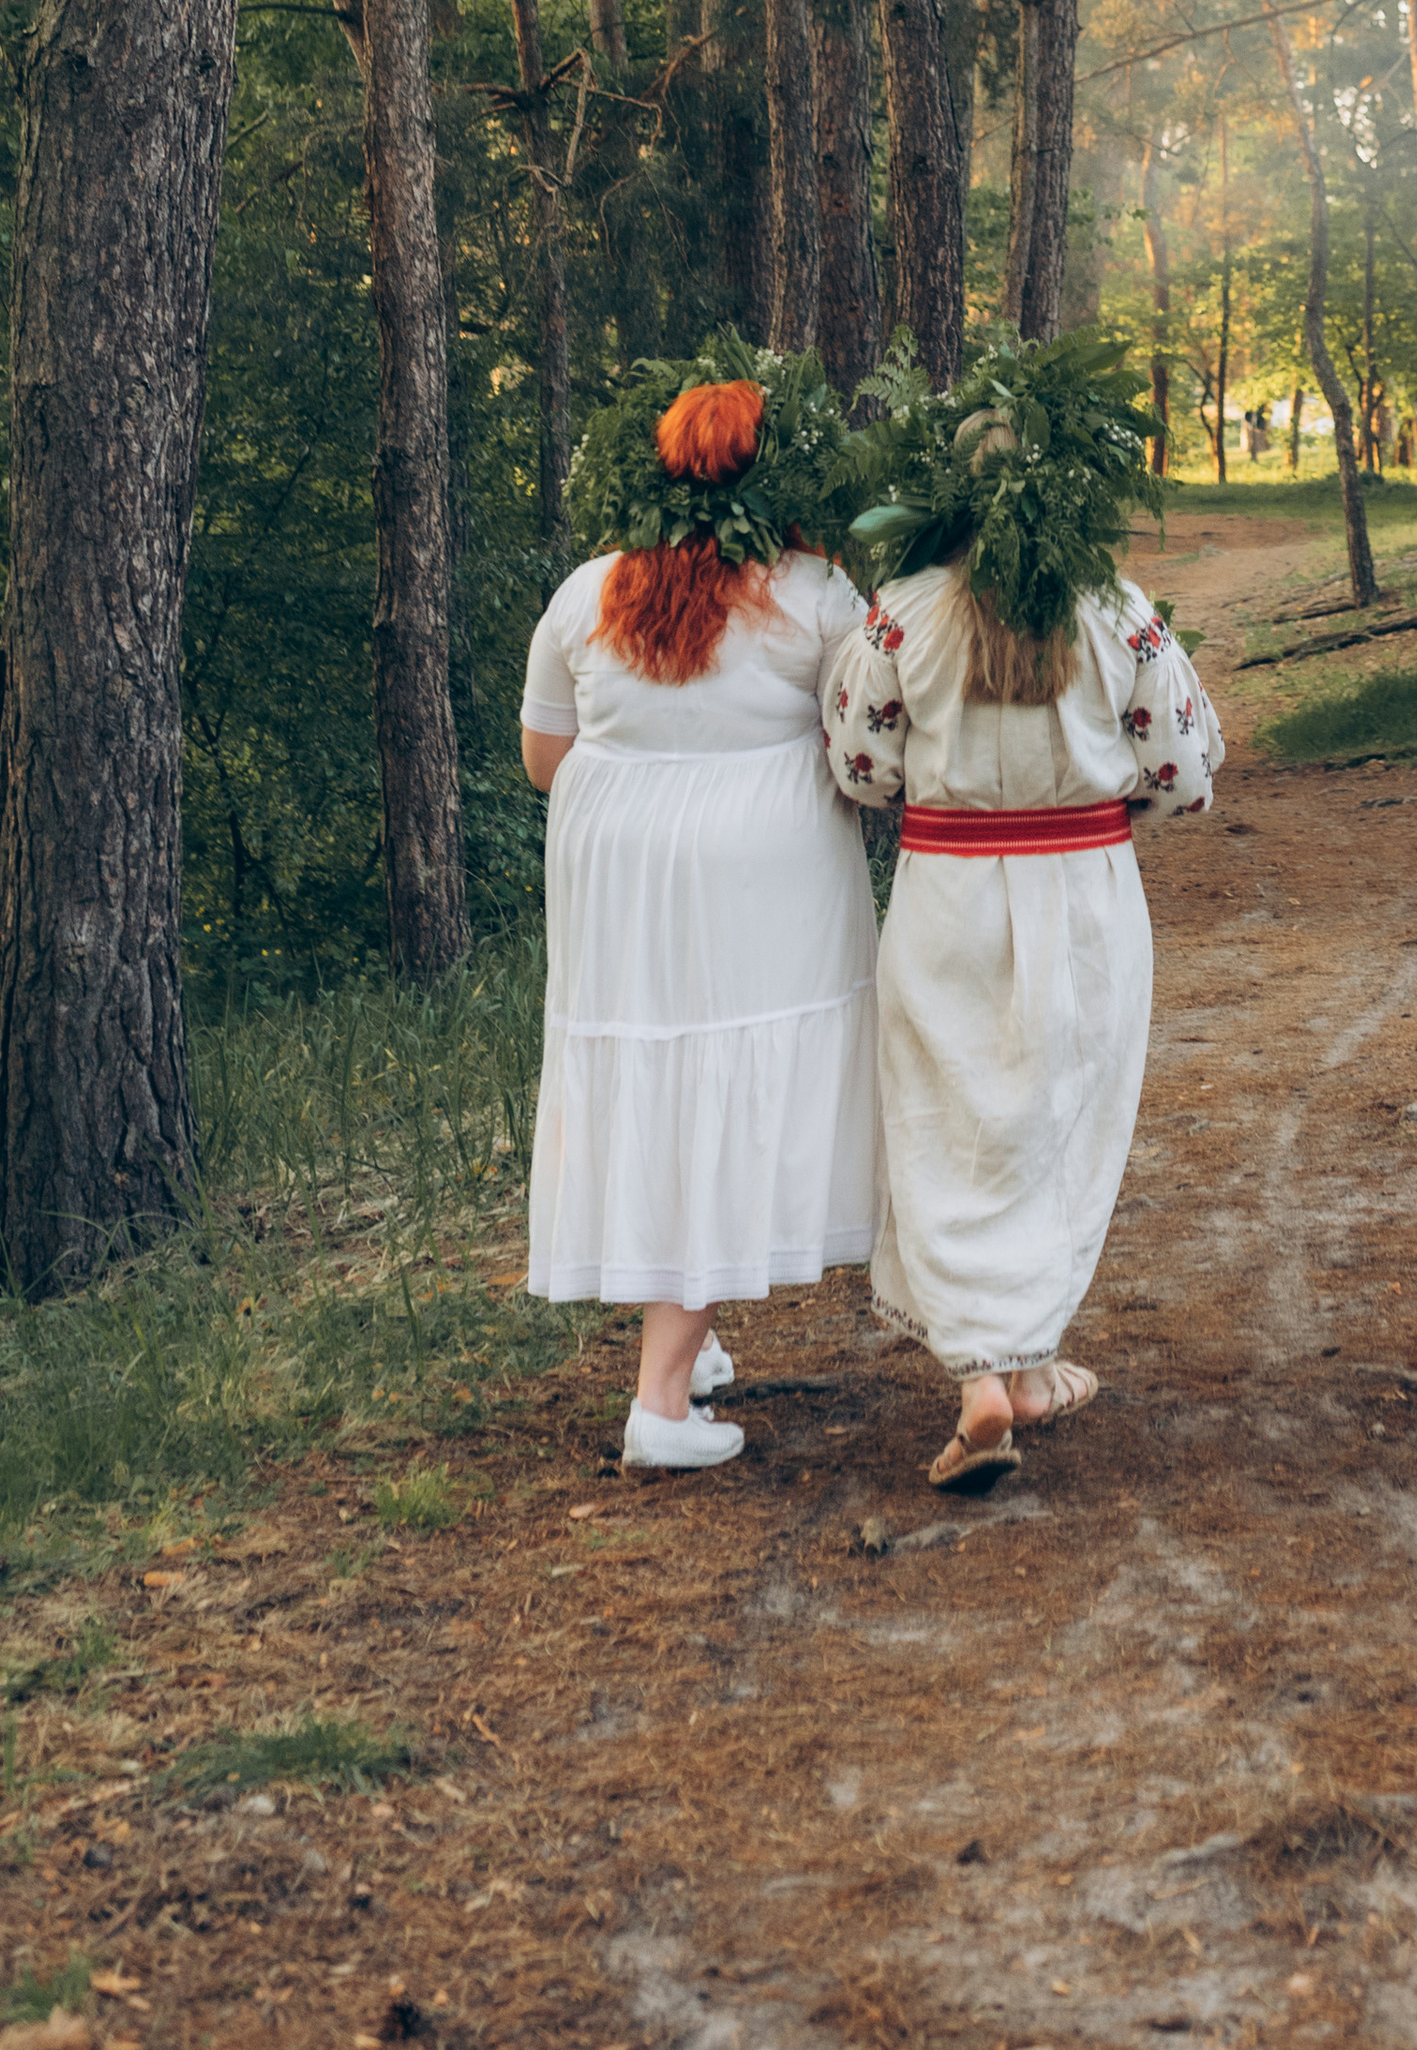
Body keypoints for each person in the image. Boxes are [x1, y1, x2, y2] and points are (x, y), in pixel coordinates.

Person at [826, 334, 1224, 1492]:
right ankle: (1020, 1359)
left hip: (949, 887)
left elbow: (859, 767)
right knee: (1057, 1124)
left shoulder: (899, 615)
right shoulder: (1118, 610)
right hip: (1085, 890)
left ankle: (993, 1376)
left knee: (951, 1126)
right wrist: (1105, 816)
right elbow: (1186, 769)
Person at [521, 348, 882, 1471]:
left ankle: (695, 1340)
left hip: (617, 876)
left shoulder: (587, 590)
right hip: (758, 872)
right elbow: (868, 745)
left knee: (666, 1077)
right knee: (735, 1079)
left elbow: (544, 759)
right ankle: (660, 1406)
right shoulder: (819, 595)